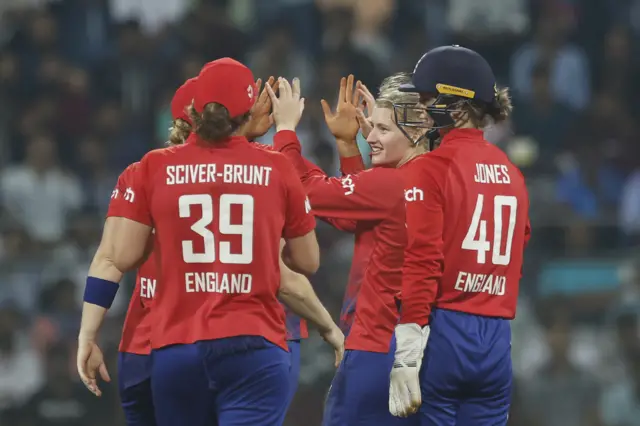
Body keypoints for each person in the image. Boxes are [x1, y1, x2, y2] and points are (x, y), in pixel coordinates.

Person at [78, 58, 342, 426]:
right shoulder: (274, 167)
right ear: (248, 112)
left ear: (191, 111)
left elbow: (115, 258)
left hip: (171, 346)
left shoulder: (151, 169)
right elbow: (306, 263)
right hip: (253, 340)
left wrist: (87, 336)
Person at [267, 74, 428, 426]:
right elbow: (359, 218)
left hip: (374, 346)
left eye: (382, 129)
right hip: (420, 351)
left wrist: (285, 132)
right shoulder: (432, 181)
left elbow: (306, 191)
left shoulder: (389, 183)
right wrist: (347, 146)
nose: (369, 135)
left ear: (417, 131)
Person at [387, 45, 531, 426]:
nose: (420, 109)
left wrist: (407, 352)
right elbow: (519, 249)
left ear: (458, 105)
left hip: (444, 330)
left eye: (427, 99)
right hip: (497, 336)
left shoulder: (431, 168)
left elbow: (422, 258)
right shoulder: (512, 173)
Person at [77, 76, 198, 426]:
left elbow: (110, 259)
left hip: (144, 344)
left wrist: (88, 335)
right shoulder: (255, 174)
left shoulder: (144, 171)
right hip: (213, 344)